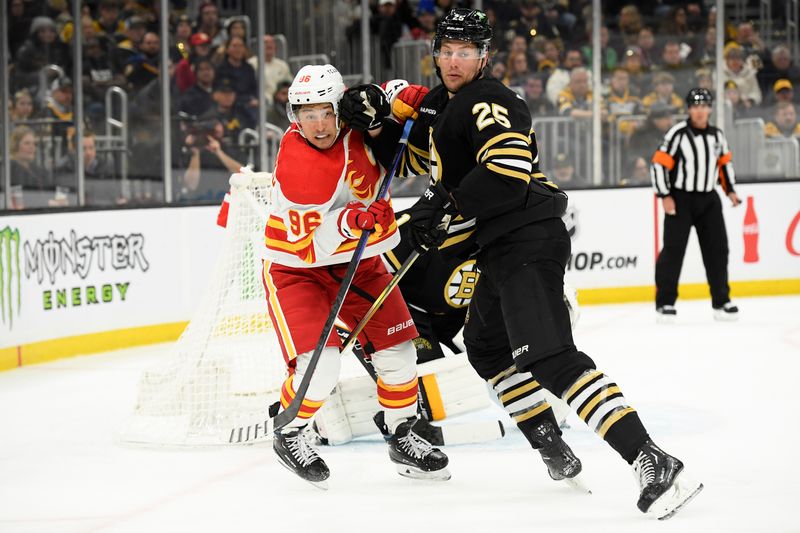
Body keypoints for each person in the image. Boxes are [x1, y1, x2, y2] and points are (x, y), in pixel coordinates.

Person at [340, 8, 703, 518]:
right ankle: (551, 444)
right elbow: (412, 161)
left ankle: (651, 457)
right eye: (445, 50)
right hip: (496, 247)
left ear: (483, 56)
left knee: (552, 357)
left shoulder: (489, 100)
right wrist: (375, 124)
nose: (452, 60)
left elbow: (507, 174)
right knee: (487, 350)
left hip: (527, 238)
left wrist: (445, 207)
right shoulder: (445, 104)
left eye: (464, 51)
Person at [265, 64, 449, 487]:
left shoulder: (353, 119)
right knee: (322, 368)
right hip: (298, 271)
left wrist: (407, 102)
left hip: (359, 263)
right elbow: (308, 246)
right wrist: (352, 221)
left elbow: (394, 100)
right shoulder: (299, 168)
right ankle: (290, 431)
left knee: (401, 354)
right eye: (305, 114)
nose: (317, 124)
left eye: (325, 111)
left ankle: (402, 433)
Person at [651, 88, 741, 321]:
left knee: (718, 250)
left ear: (710, 108)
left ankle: (721, 301)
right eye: (695, 106)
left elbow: (724, 165)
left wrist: (730, 190)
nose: (700, 111)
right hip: (681, 198)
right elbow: (659, 164)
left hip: (709, 199)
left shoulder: (717, 135)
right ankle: (665, 303)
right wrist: (665, 195)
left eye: (704, 106)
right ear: (689, 109)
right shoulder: (678, 134)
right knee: (673, 250)